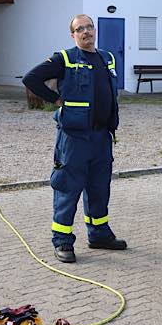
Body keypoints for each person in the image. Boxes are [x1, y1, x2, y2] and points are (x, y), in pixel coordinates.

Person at [22, 14, 127, 263]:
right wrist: (55, 100)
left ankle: (99, 234)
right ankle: (62, 241)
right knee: (68, 189)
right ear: (73, 35)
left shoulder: (107, 58)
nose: (86, 32)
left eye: (90, 27)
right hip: (74, 139)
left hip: (102, 136)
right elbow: (31, 78)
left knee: (99, 189)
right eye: (80, 29)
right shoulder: (65, 58)